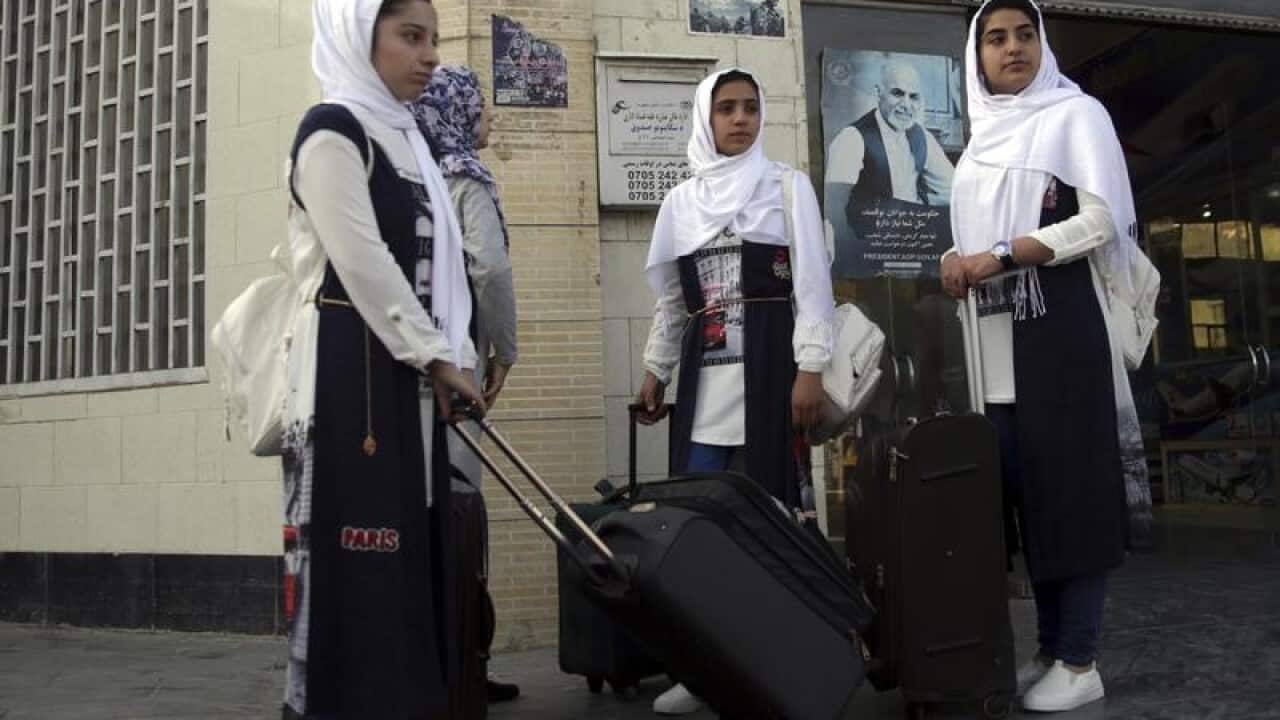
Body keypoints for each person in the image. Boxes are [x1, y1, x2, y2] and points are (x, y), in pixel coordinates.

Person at [280, 0, 485, 717]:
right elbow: (362, 261)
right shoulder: (331, 131)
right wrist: (436, 355)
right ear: (356, 36)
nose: (430, 54)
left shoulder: (409, 141)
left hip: (408, 379)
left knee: (407, 561)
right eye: (409, 36)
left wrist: (445, 359)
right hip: (348, 377)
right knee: (354, 562)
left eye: (432, 38)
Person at [941, 0, 1145, 711]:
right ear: (978, 56)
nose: (1013, 47)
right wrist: (955, 259)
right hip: (996, 348)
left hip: (1060, 334)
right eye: (995, 38)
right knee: (1027, 502)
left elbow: (1100, 220)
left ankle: (1082, 658)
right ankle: (1051, 647)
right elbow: (972, 236)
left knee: (1075, 499)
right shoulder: (977, 144)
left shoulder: (1073, 115)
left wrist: (999, 254)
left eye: (1025, 33)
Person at [635, 67, 835, 716]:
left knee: (770, 523)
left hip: (772, 375)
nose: (740, 119)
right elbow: (672, 303)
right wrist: (655, 370)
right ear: (707, 117)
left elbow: (812, 284)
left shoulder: (787, 187)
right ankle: (703, 670)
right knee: (695, 528)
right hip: (702, 387)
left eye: (751, 107)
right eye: (726, 108)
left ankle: (775, 662)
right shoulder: (681, 204)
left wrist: (811, 367)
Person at [411, 63, 521, 705]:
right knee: (461, 515)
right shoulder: (464, 177)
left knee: (423, 514)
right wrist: (503, 350)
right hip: (457, 366)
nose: (490, 119)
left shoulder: (410, 173)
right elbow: (492, 268)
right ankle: (465, 666)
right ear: (459, 112)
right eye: (482, 108)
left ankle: (432, 660)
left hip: (409, 365)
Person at [826, 60, 955, 274]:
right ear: (879, 93)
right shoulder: (852, 138)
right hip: (869, 252)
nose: (906, 105)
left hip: (915, 248)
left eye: (913, 97)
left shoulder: (922, 136)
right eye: (897, 93)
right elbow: (835, 213)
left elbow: (954, 191)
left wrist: (924, 205)